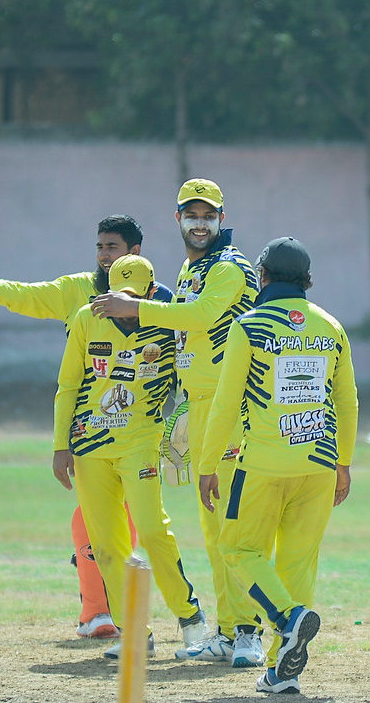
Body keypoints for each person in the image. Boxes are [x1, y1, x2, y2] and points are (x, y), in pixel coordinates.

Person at [0, 214, 158, 640]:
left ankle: (129, 611)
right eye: (100, 247)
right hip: (92, 429)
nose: (104, 255)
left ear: (134, 252)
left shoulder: (158, 300)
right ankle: (97, 612)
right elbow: (21, 296)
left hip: (141, 430)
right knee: (92, 516)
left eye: (113, 247)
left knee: (133, 518)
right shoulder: (76, 291)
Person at [90, 178, 266, 666]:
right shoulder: (192, 268)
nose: (200, 223)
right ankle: (227, 632)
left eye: (208, 216)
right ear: (178, 219)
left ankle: (249, 632)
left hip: (233, 406)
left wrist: (136, 308)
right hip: (201, 406)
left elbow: (204, 315)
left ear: (221, 219)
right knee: (213, 530)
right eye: (192, 215)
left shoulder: (229, 266)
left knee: (234, 526)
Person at [197, 237, 358, 694]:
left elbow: (226, 404)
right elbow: (347, 401)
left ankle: (288, 619)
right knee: (298, 566)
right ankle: (281, 673)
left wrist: (207, 465)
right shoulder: (331, 326)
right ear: (307, 280)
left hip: (263, 465)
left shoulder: (248, 326)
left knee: (237, 549)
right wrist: (344, 462)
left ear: (262, 276)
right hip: (320, 464)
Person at [52, 254, 210, 659]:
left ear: (150, 293)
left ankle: (191, 619)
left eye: (131, 297)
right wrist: (60, 446)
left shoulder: (167, 322)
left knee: (153, 531)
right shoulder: (87, 318)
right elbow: (68, 384)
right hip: (90, 446)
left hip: (141, 442)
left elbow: (191, 374)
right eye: (116, 296)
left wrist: (189, 422)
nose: (121, 307)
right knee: (107, 546)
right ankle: (135, 632)